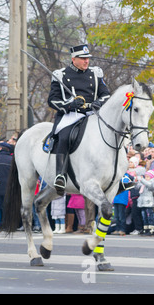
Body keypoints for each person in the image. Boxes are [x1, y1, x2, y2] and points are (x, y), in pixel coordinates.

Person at [47, 44, 110, 195]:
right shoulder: (60, 74)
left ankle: (119, 174)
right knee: (65, 136)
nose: (86, 61)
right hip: (71, 115)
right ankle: (60, 175)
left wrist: (98, 103)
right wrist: (69, 104)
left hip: (92, 114)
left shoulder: (96, 73)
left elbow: (106, 94)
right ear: (73, 59)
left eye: (87, 58)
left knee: (111, 135)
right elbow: (52, 100)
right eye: (83, 58)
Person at [138, 169, 154, 236]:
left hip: (148, 202)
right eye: (145, 176)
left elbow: (150, 186)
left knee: (149, 215)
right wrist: (136, 181)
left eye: (148, 176)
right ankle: (146, 229)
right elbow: (137, 187)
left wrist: (142, 180)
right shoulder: (144, 182)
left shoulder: (153, 181)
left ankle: (151, 229)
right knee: (144, 216)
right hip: (142, 201)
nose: (146, 178)